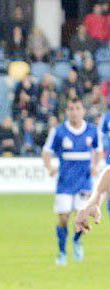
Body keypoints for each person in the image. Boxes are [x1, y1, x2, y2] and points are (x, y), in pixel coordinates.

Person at [42, 98, 102, 266]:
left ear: (83, 111)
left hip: (84, 182)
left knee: (82, 218)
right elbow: (46, 152)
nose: (74, 112)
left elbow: (98, 150)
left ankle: (76, 240)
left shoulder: (92, 130)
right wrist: (49, 167)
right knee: (63, 218)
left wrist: (96, 166)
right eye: (70, 109)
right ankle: (62, 253)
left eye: (77, 108)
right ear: (66, 112)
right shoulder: (59, 131)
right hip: (65, 183)